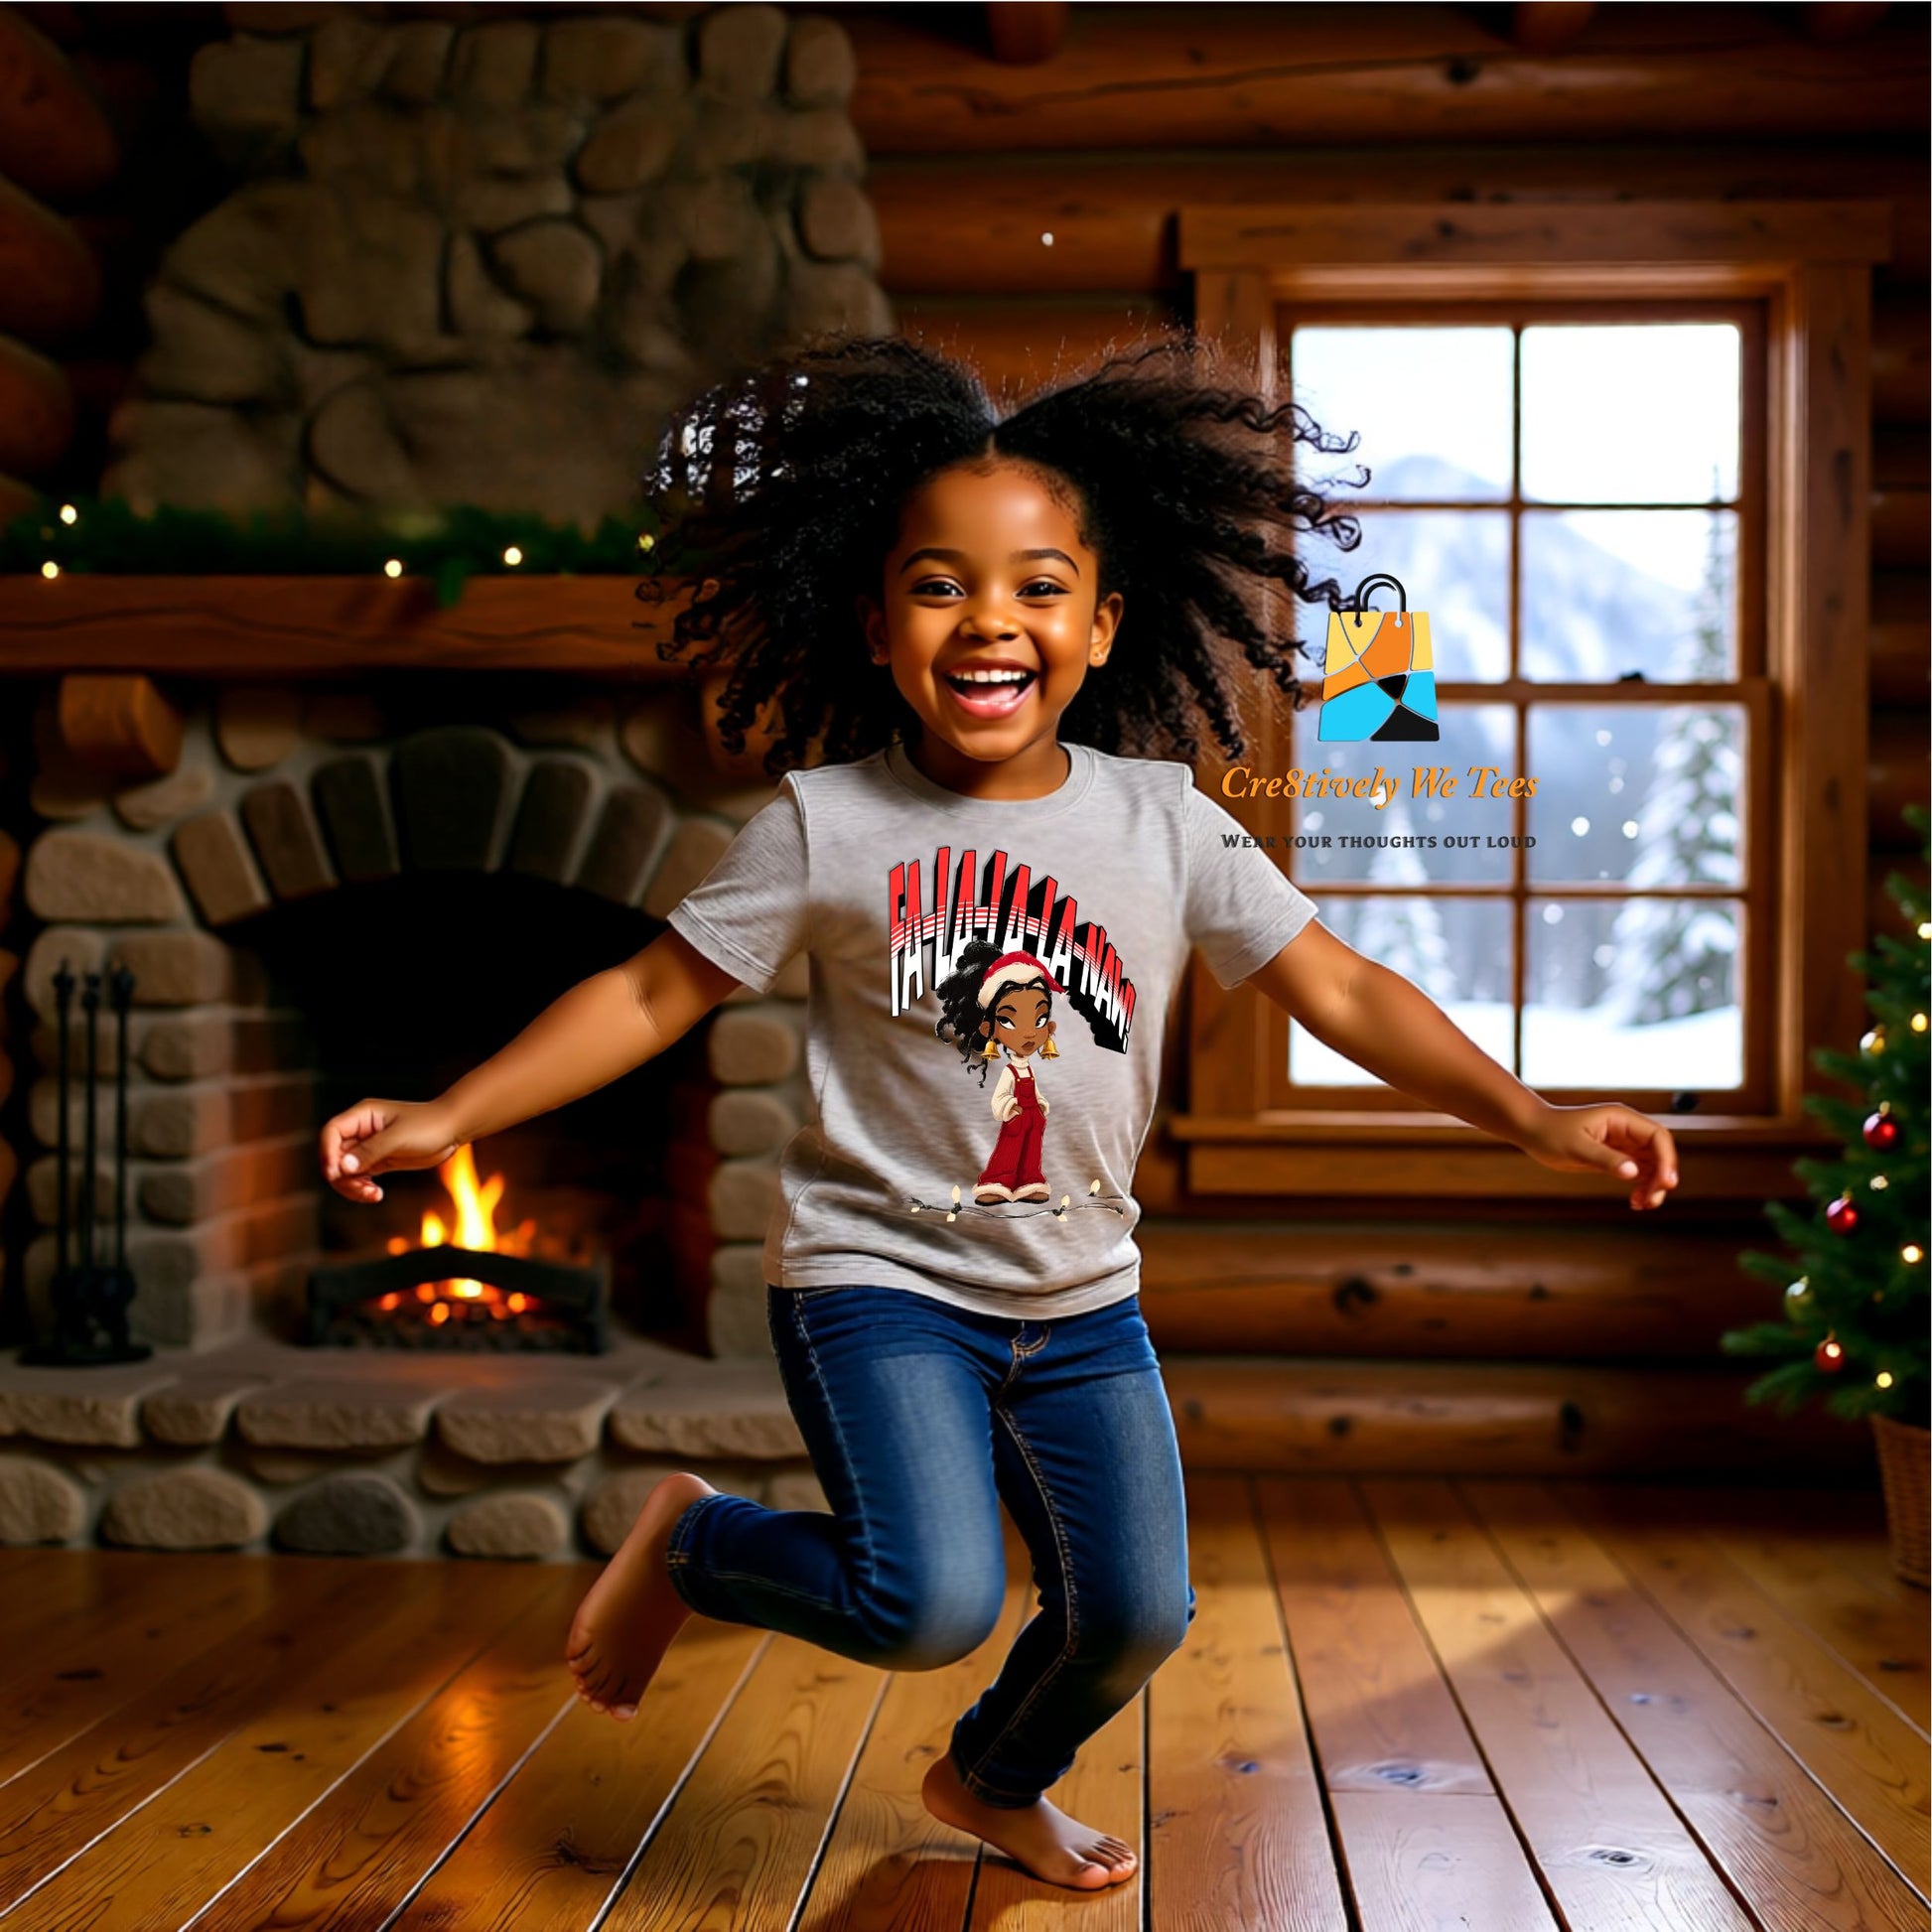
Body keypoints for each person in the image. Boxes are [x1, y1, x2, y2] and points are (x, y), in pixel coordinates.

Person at [318, 330, 1680, 1894]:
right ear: (875, 620)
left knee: (1134, 1614)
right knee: (925, 1600)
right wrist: (452, 1113)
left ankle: (986, 1777)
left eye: (1037, 586)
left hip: (1081, 1298)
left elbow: (1345, 990)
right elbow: (647, 995)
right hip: (875, 1283)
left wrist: (1533, 1117)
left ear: (1102, 626)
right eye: (939, 583)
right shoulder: (825, 827)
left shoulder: (1162, 823)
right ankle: (695, 1541)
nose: (991, 620)